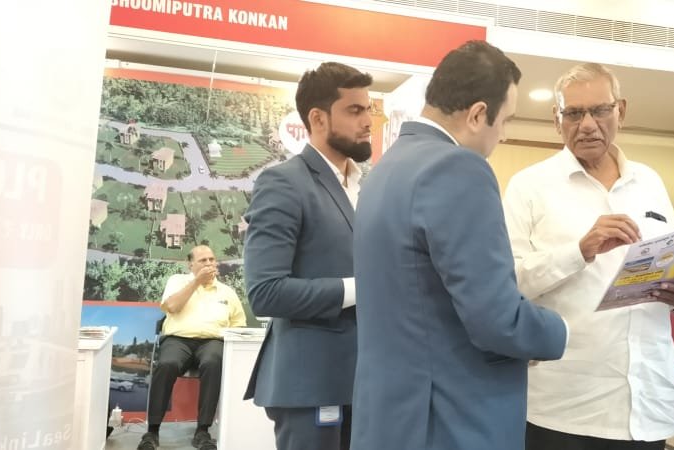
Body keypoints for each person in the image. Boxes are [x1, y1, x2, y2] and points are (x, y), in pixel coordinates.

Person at [351, 40, 569, 450]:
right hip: (449, 421)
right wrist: (561, 329)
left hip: (391, 418)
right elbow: (496, 318)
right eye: (506, 121)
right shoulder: (458, 168)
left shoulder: (385, 169)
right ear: (478, 114)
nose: (503, 135)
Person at [502, 62, 674, 450]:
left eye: (599, 111)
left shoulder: (650, 182)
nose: (588, 125)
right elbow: (509, 282)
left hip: (647, 402)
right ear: (556, 119)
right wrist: (579, 251)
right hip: (566, 405)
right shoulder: (529, 187)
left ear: (620, 111)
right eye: (574, 114)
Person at [243, 61, 372, 450]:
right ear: (317, 118)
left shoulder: (367, 186)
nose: (367, 122)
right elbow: (266, 292)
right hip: (312, 383)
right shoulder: (284, 182)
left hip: (367, 381)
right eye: (355, 110)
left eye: (369, 110)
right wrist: (362, 288)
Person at [137, 245, 247, 450]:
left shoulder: (227, 292)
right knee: (167, 364)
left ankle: (203, 431)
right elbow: (172, 307)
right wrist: (197, 281)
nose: (209, 264)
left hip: (213, 342)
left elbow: (239, 326)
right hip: (178, 340)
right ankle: (152, 432)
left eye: (212, 259)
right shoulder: (177, 281)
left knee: (213, 363)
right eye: (203, 260)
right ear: (191, 265)